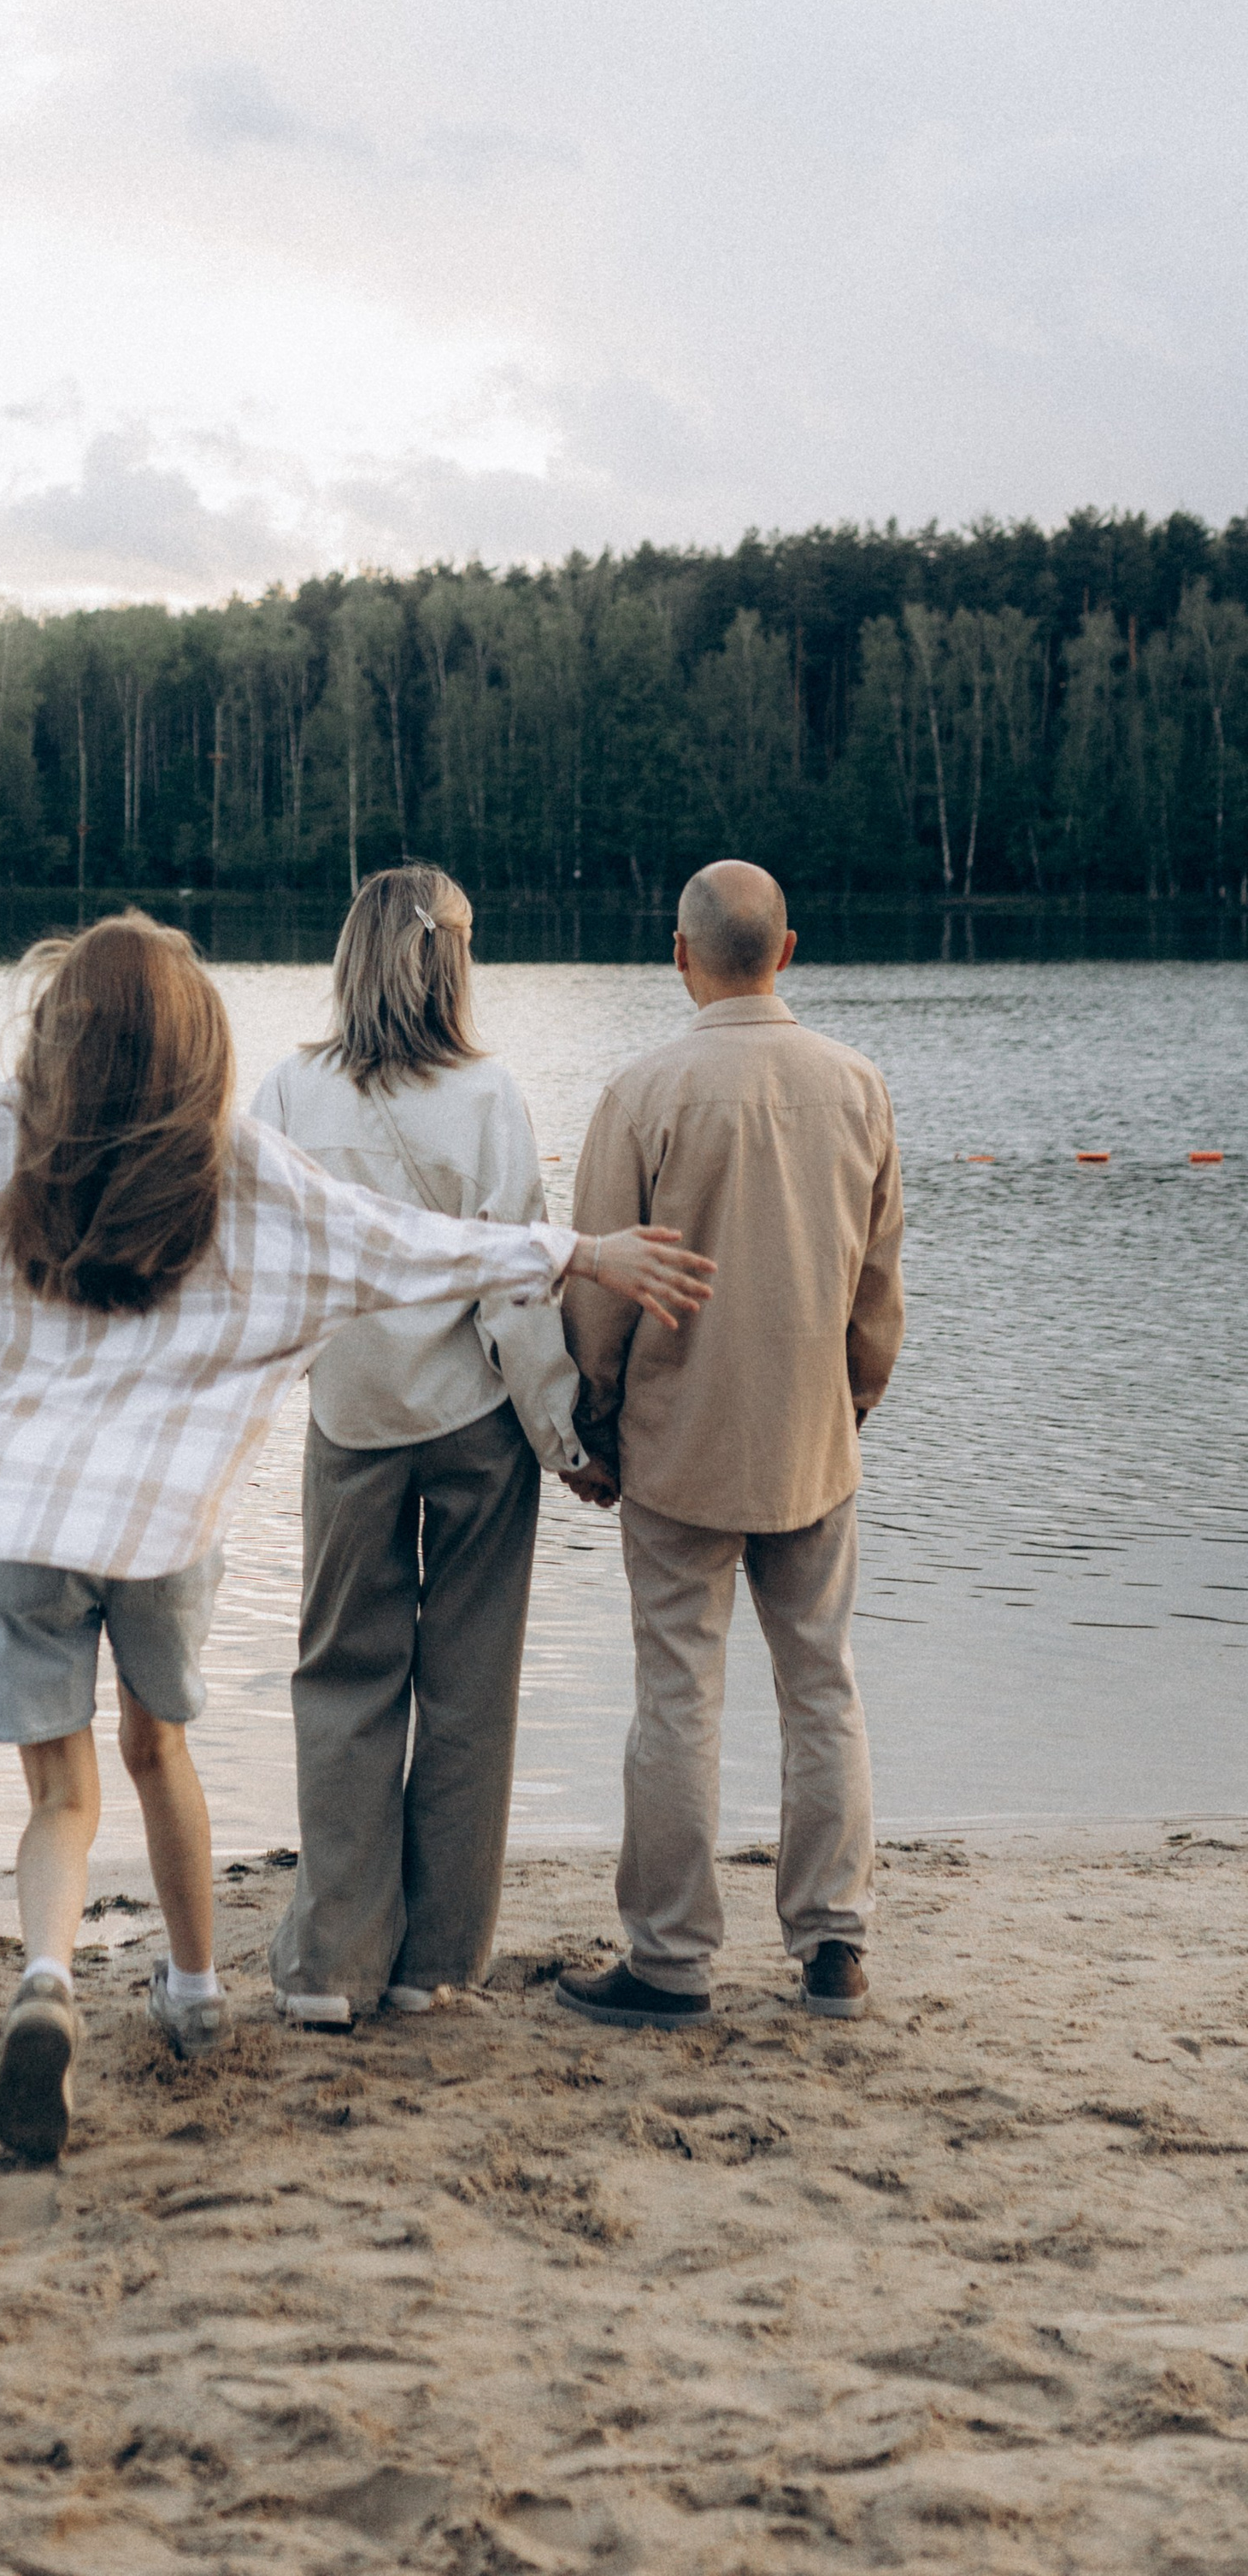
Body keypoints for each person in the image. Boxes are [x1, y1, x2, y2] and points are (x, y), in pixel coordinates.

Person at [0, 911, 714, 2160]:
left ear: (56, 1032)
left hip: (22, 1527)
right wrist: (578, 1250)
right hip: (162, 1530)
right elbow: (400, 1249)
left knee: (59, 1793)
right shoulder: (238, 1166)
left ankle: (47, 1978)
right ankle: (198, 1988)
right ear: (198, 1040)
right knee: (160, 1753)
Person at [556, 859, 904, 2031]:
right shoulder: (858, 1087)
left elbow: (599, 1293)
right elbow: (878, 1279)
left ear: (679, 954)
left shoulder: (644, 1091)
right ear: (788, 950)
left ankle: (670, 1960)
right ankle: (834, 1948)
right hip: (812, 1438)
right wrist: (854, 1398)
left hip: (675, 1441)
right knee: (823, 1689)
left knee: (677, 1698)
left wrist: (585, 1428)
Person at [251, 864, 594, 2031]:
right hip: (473, 1424)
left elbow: (260, 1260)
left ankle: (332, 1965)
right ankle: (436, 1959)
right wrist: (560, 1431)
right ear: (452, 964)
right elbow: (517, 1288)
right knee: (468, 1690)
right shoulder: (490, 1095)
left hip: (352, 1417)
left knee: (343, 1678)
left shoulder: (292, 1092)